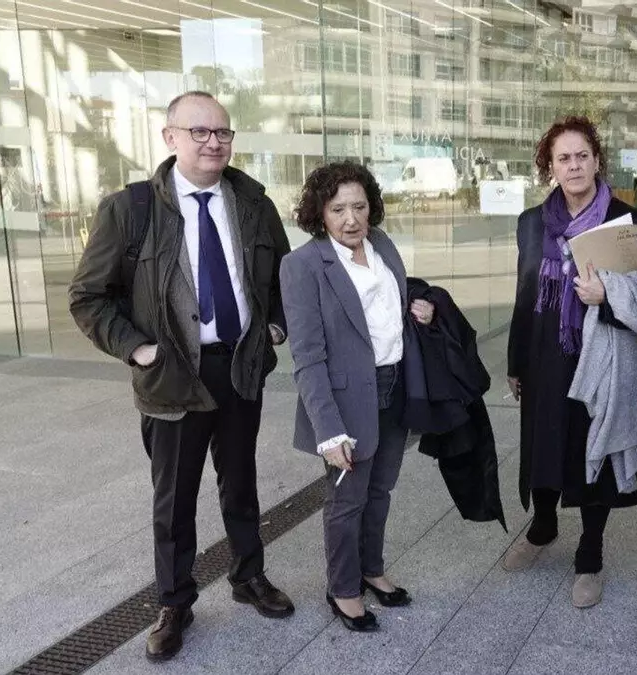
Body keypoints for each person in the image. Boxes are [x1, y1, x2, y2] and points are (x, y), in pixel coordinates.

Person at [68, 91, 294, 662]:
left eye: (223, 132)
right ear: (170, 138)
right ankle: (174, 602)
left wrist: (275, 326)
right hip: (171, 374)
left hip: (239, 366)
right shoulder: (131, 209)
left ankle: (248, 576)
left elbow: (281, 278)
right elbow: (88, 297)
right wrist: (138, 349)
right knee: (174, 499)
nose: (214, 142)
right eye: (200, 132)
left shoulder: (253, 202)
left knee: (240, 481)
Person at [504, 115, 637, 609]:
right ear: (549, 167)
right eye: (563, 158)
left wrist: (607, 295)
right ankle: (544, 525)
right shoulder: (532, 223)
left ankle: (590, 553)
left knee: (595, 449)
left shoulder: (631, 224)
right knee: (544, 444)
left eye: (582, 156)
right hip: (544, 356)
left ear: (597, 161)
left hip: (603, 355)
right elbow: (524, 293)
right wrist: (515, 362)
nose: (573, 166)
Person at [280, 162, 436, 632]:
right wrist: (328, 431)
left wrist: (419, 307)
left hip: (394, 386)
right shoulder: (303, 266)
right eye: (338, 209)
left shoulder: (382, 244)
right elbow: (307, 357)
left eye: (360, 207)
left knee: (380, 490)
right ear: (319, 213)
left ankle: (372, 569)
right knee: (347, 500)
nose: (351, 219)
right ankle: (343, 588)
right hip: (345, 402)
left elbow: (389, 306)